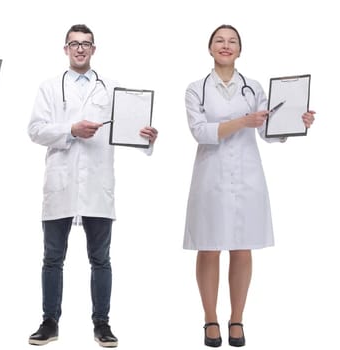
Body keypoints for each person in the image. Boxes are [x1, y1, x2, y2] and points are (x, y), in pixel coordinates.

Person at [183, 24, 315, 348]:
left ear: (240, 50)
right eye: (219, 41)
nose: (225, 46)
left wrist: (296, 123)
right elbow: (201, 132)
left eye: (232, 42)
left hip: (247, 176)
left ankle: (237, 319)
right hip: (210, 176)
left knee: (243, 246)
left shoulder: (253, 88)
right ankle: (210, 318)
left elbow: (268, 130)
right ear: (210, 48)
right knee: (209, 245)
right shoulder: (195, 89)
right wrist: (243, 121)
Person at [26, 24, 158, 348]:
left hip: (98, 186)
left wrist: (147, 139)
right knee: (52, 258)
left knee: (101, 259)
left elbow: (129, 129)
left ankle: (102, 324)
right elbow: (35, 130)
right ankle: (49, 321)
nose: (80, 49)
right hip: (61, 185)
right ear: (66, 49)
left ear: (94, 49)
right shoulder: (48, 87)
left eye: (86, 44)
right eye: (74, 44)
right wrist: (70, 130)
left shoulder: (111, 88)